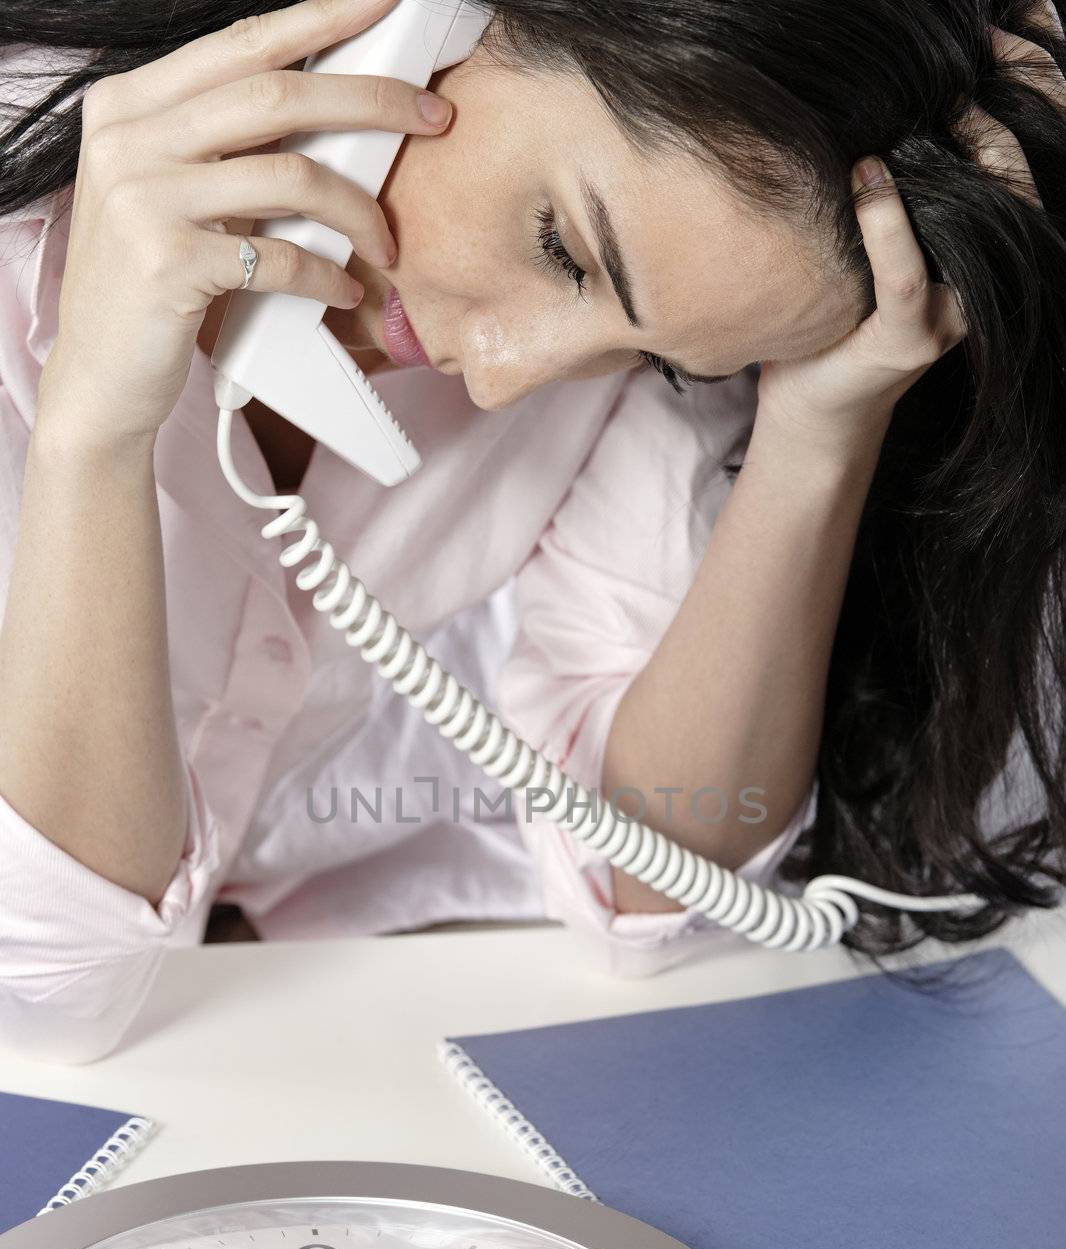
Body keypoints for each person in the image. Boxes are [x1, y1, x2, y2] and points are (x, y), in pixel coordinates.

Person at [1, 0, 1064, 1063]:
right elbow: (54, 1003)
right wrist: (91, 437)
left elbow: (654, 881)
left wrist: (822, 419)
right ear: (420, 25)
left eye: (654, 357)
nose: (507, 379)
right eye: (559, 246)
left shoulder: (631, 342)